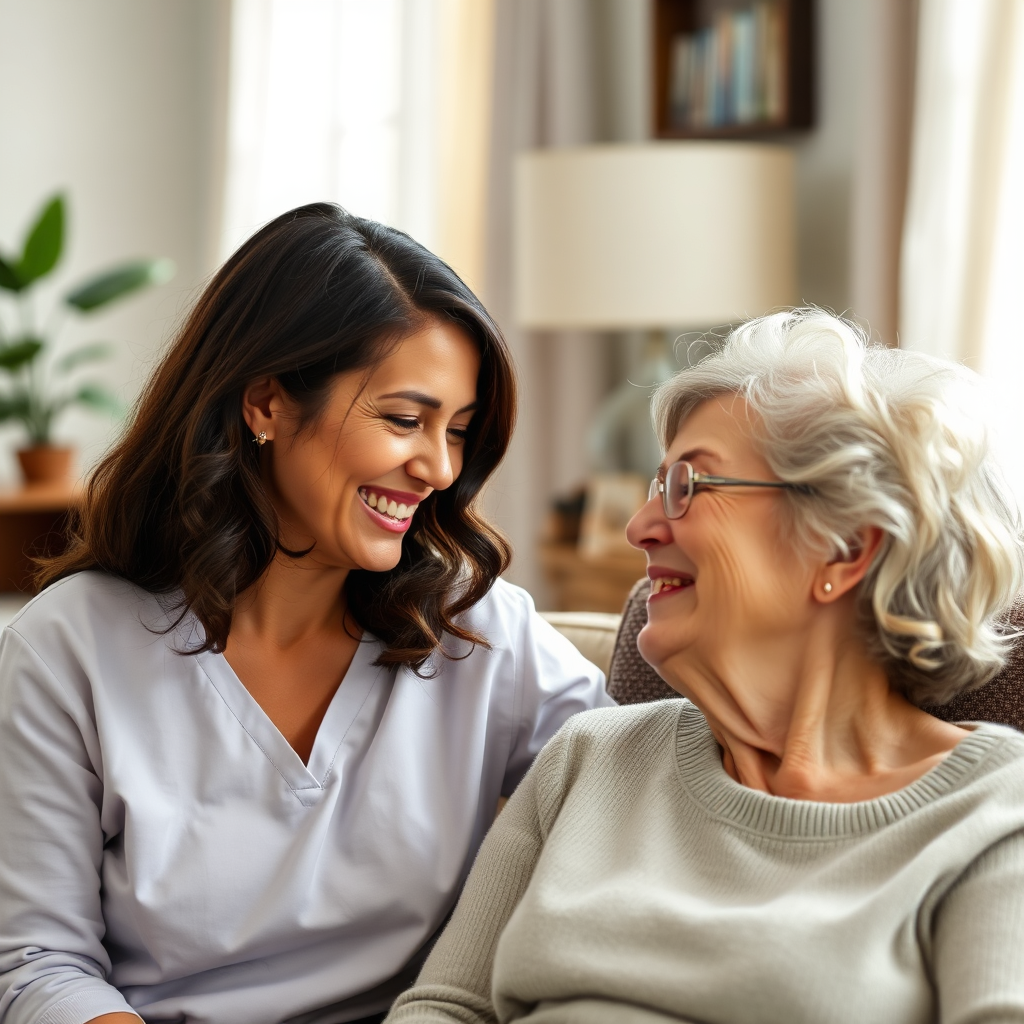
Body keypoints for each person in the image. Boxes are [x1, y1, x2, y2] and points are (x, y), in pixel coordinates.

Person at [0, 204, 611, 1024]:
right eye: (405, 419)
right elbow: (37, 963)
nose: (437, 466)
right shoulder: (68, 647)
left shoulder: (477, 631)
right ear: (266, 405)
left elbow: (636, 784)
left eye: (459, 431)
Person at [386, 309, 1024, 1024]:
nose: (640, 527)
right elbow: (444, 1008)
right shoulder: (589, 758)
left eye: (687, 486)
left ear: (845, 549)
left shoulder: (996, 813)